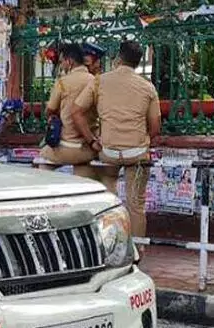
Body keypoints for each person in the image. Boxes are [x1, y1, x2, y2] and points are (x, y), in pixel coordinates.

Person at [72, 40, 162, 255]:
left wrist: (93, 140)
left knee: (109, 192)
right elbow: (156, 126)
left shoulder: (99, 81)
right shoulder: (147, 87)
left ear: (118, 59)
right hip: (137, 153)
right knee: (136, 204)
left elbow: (77, 111)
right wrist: (142, 138)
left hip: (108, 152)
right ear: (137, 63)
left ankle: (108, 245)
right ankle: (137, 249)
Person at [38, 43, 96, 171]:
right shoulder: (94, 81)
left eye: (62, 61)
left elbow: (50, 109)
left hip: (66, 145)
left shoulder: (63, 82)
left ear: (69, 61)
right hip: (89, 147)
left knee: (41, 160)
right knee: (84, 170)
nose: (61, 65)